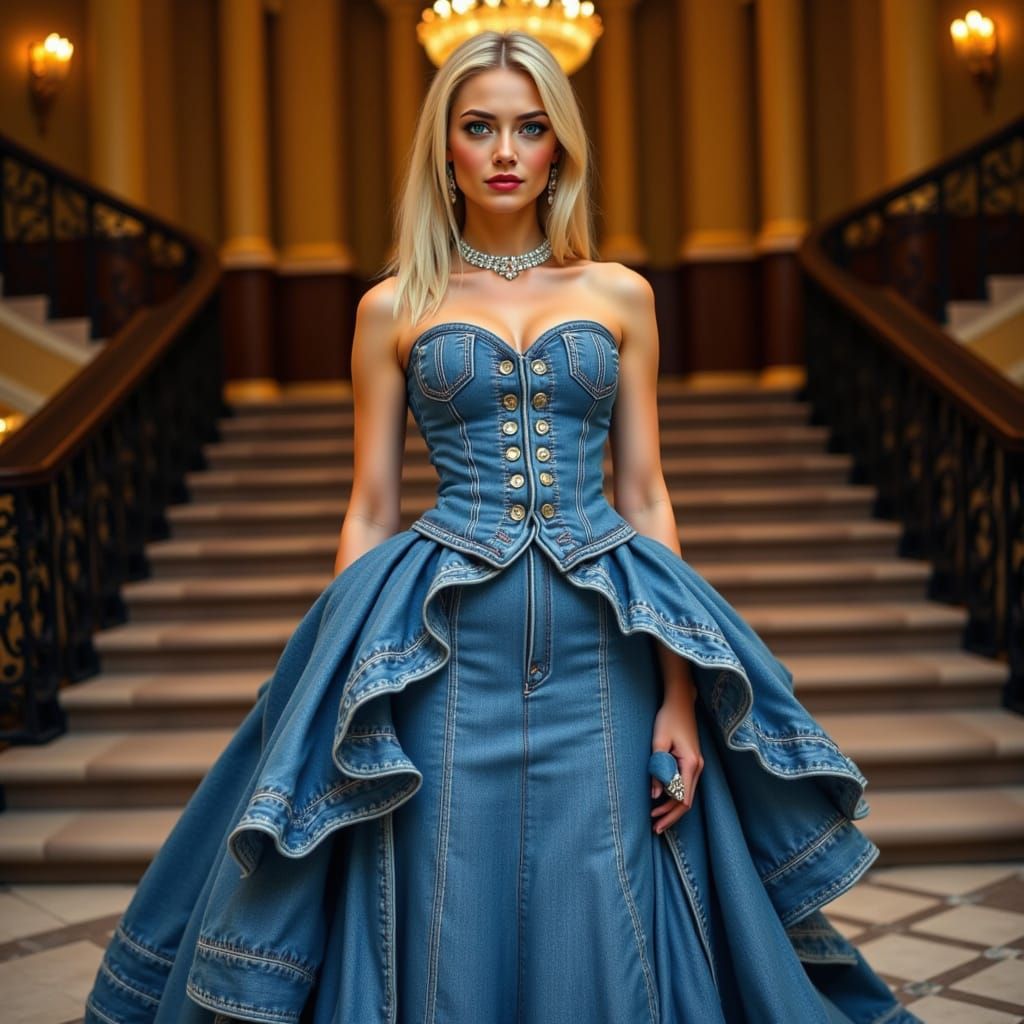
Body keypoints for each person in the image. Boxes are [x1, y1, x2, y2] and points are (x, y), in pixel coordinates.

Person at [85, 29, 922, 1024]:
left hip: (604, 640)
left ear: (559, 146)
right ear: (444, 147)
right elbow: (370, 503)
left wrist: (680, 695)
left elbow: (646, 493)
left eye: (529, 128)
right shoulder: (391, 306)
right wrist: (343, 674)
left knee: (600, 888)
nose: (505, 150)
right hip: (442, 647)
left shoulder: (621, 294)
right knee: (447, 895)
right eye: (478, 127)